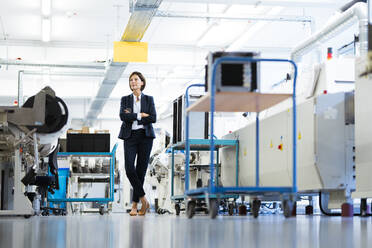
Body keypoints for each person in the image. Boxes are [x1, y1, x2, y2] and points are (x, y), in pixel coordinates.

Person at [118, 71, 156, 216]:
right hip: (130, 136)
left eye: (136, 79)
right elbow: (123, 116)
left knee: (140, 171)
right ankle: (144, 200)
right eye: (131, 80)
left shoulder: (149, 99)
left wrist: (132, 117)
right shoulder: (125, 100)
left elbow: (153, 118)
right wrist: (140, 115)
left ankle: (135, 206)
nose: (133, 82)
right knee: (129, 168)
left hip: (146, 137)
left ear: (142, 82)